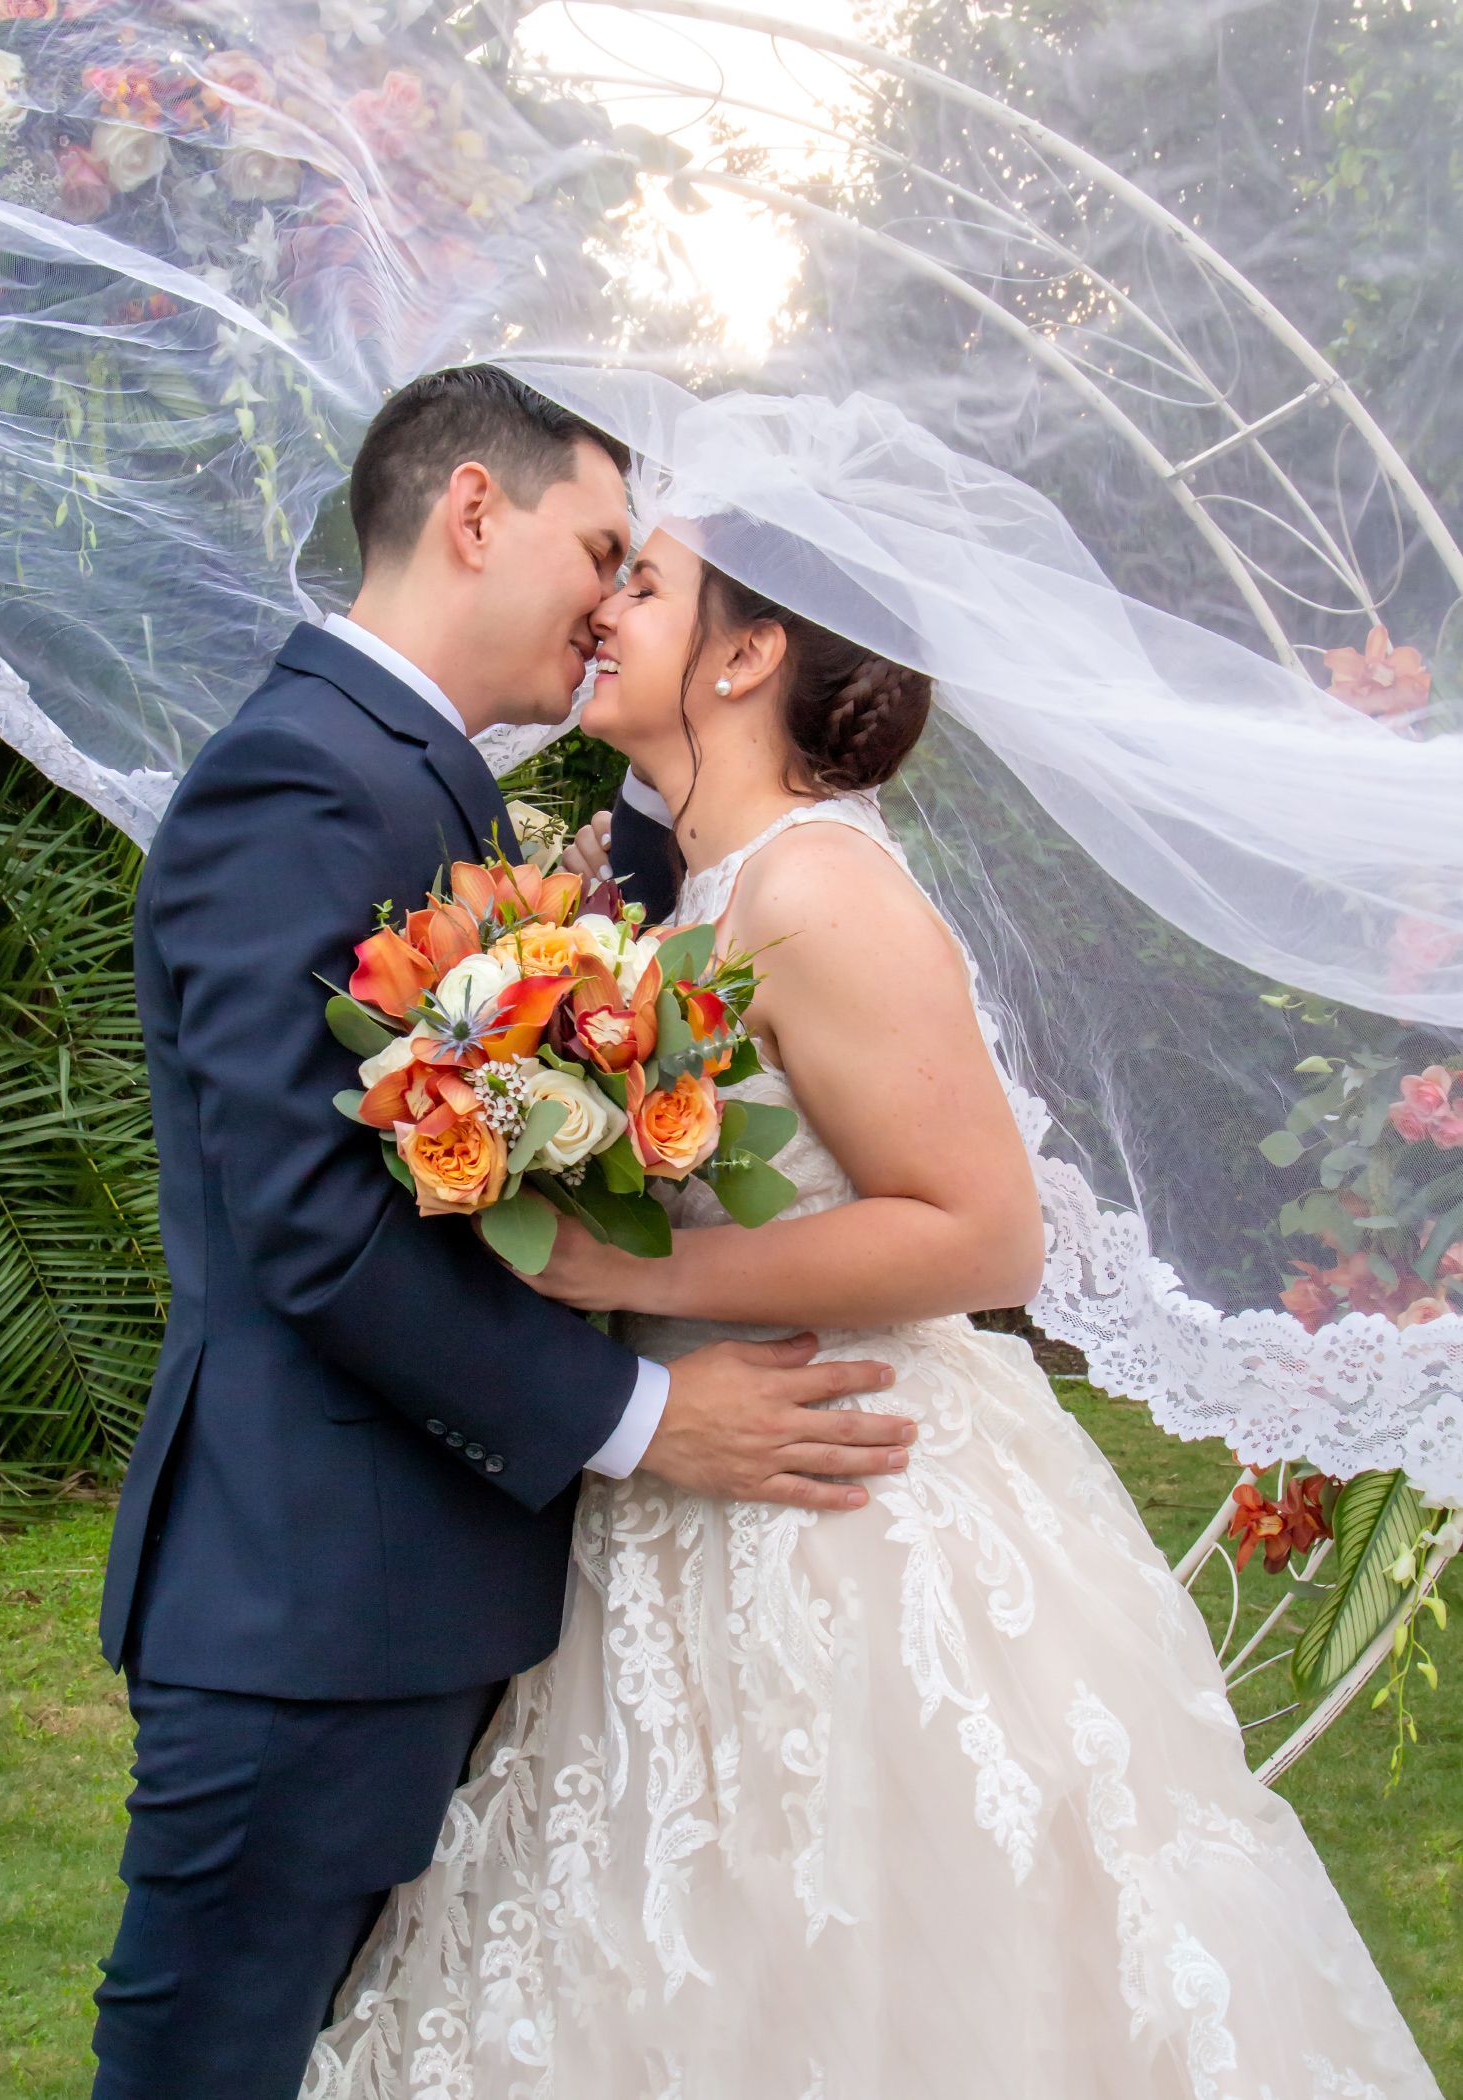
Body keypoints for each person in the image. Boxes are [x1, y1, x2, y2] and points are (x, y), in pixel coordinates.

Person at [305, 522, 1443, 2100]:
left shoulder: (820, 887)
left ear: (750, 651)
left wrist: (636, 1273)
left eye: (645, 585)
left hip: (855, 1510)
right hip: (692, 1501)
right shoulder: (689, 897)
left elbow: (984, 1234)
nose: (601, 607)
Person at [89, 368, 915, 2100]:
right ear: (476, 511)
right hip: (311, 1605)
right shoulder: (304, 782)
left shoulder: (410, 776)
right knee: (217, 2063)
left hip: (411, 1593)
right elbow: (316, 1226)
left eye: (639, 577)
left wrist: (682, 797)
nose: (610, 605)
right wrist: (644, 1417)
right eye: (603, 551)